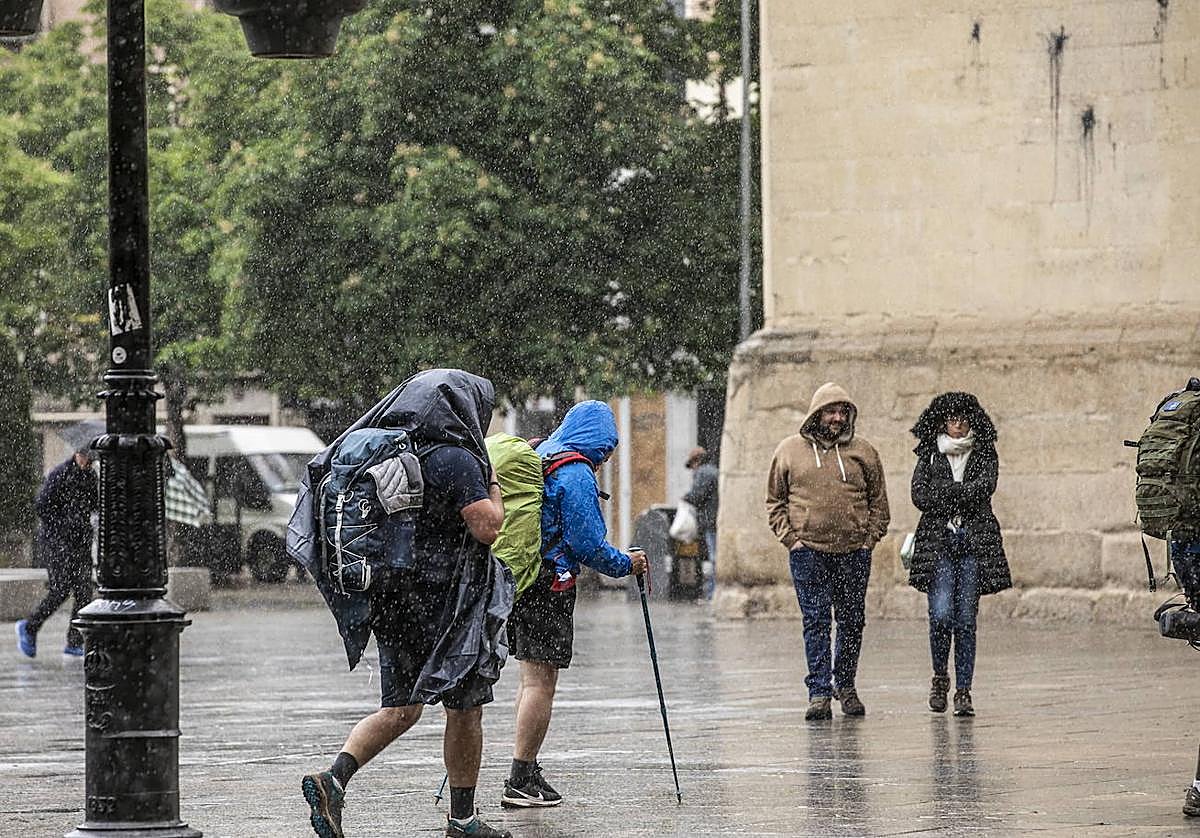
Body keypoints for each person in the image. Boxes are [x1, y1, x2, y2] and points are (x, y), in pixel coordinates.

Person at [294, 370, 513, 838]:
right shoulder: (457, 458)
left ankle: (334, 780)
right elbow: (488, 527)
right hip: (447, 608)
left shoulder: (398, 451)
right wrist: (493, 485)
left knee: (401, 707)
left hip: (395, 602)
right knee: (465, 707)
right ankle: (463, 820)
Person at [502, 400, 648, 808]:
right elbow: (587, 544)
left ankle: (525, 768)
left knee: (529, 680)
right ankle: (520, 777)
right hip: (550, 584)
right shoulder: (575, 471)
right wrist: (626, 564)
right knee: (540, 683)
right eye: (607, 448)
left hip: (523, 578)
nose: (606, 457)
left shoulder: (541, 453)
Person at [766, 382, 890, 720]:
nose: (837, 417)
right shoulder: (789, 450)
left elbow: (879, 501)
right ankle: (819, 692)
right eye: (831, 411)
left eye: (842, 411)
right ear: (816, 414)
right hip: (808, 553)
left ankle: (846, 685)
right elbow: (775, 501)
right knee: (816, 621)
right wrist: (791, 540)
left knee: (852, 621)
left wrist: (869, 539)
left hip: (853, 552)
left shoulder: (864, 452)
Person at [907, 392, 1011, 718]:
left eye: (964, 420)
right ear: (942, 422)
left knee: (965, 619)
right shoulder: (929, 453)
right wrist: (959, 495)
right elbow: (919, 495)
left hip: (972, 544)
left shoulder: (983, 453)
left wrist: (948, 494)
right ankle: (940, 677)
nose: (958, 426)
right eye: (953, 420)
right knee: (940, 614)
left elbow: (985, 488)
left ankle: (964, 690)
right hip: (939, 544)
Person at [15, 446, 98, 658]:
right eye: (85, 458)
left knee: (84, 592)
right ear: (77, 454)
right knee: (60, 589)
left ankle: (74, 642)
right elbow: (42, 505)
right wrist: (64, 523)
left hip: (80, 542)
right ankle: (29, 627)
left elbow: (94, 505)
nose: (87, 463)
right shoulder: (60, 474)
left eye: (91, 459)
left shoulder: (90, 477)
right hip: (57, 543)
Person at [681, 446, 719, 599]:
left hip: (711, 521)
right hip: (715, 520)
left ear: (696, 461)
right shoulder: (714, 471)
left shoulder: (704, 473)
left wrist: (685, 498)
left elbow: (697, 495)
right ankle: (711, 592)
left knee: (714, 558)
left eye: (692, 466)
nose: (692, 470)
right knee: (714, 558)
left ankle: (712, 594)